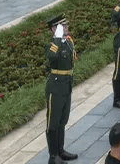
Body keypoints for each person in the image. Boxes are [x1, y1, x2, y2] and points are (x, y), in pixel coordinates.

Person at [45, 14, 77, 163]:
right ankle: (53, 155)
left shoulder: (67, 42)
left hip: (66, 85)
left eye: (66, 25)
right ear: (53, 29)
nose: (66, 28)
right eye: (62, 26)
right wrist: (57, 38)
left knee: (62, 120)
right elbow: (52, 58)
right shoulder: (52, 44)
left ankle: (61, 150)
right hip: (56, 87)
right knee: (53, 122)